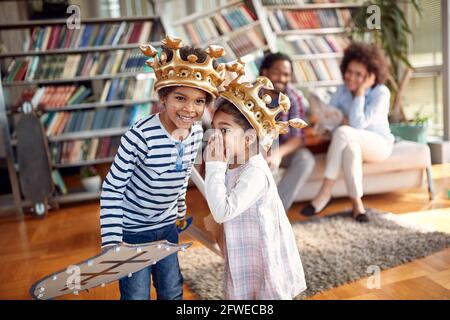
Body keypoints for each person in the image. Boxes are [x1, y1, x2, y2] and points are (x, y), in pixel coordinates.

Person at [99, 36, 226, 300]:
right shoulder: (139, 136)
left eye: (199, 101)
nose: (190, 109)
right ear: (163, 97)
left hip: (168, 227)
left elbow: (181, 175)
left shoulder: (194, 133)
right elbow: (112, 189)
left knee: (172, 291)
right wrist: (112, 242)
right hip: (132, 231)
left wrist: (180, 212)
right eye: (180, 97)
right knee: (136, 295)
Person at [204, 71, 307, 300]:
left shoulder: (255, 172)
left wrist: (213, 167)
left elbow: (222, 211)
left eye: (224, 130)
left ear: (249, 138)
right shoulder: (231, 163)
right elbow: (218, 203)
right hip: (242, 248)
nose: (215, 137)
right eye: (213, 128)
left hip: (262, 252)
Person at [301, 42, 395, 222]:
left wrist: (360, 93)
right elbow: (332, 122)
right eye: (349, 71)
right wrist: (329, 121)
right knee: (350, 148)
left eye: (358, 74)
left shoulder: (381, 93)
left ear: (371, 76)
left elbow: (358, 124)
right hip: (354, 142)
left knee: (345, 132)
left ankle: (325, 192)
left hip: (379, 145)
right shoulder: (342, 91)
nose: (351, 77)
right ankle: (357, 205)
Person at [259, 53, 315, 211]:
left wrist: (278, 153)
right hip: (252, 147)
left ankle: (276, 212)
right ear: (265, 72)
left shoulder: (294, 97)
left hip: (280, 149)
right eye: (277, 72)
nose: (282, 78)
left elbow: (298, 138)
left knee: (306, 159)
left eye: (286, 75)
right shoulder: (251, 93)